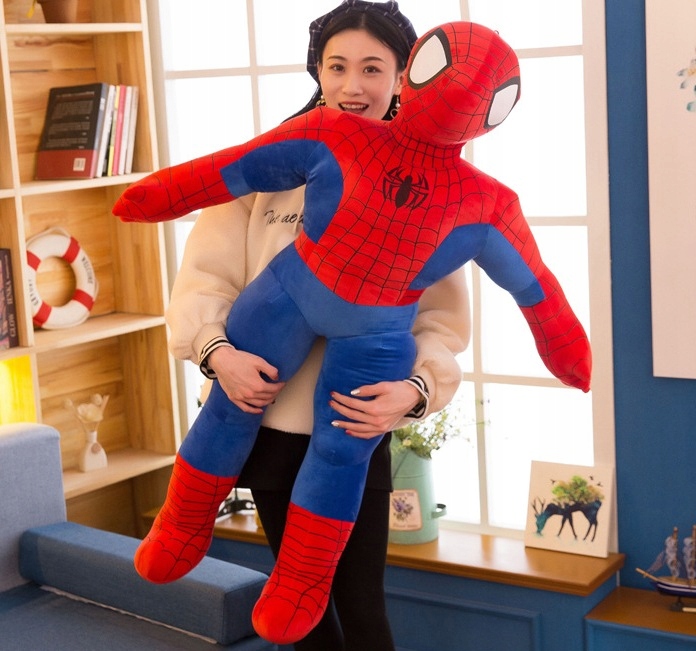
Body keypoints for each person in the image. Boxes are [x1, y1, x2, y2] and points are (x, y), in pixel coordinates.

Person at [165, 2, 470, 649]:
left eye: (372, 68)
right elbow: (204, 279)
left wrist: (414, 391)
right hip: (266, 422)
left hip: (357, 429)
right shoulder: (266, 165)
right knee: (305, 620)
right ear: (318, 71)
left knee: (363, 612)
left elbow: (442, 322)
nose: (352, 85)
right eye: (337, 67)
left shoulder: (426, 186)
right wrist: (218, 355)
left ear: (403, 77)